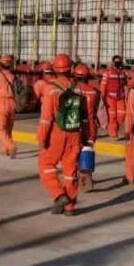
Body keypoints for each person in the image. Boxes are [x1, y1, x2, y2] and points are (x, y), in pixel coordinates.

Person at [37, 53, 85, 216]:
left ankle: (59, 195)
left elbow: (46, 119)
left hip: (57, 133)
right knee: (70, 171)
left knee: (45, 165)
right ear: (70, 68)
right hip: (75, 131)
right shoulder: (77, 88)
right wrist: (87, 137)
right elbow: (85, 115)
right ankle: (70, 208)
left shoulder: (50, 89)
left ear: (54, 69)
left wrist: (42, 139)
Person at [73, 63, 100, 191]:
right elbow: (95, 110)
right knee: (87, 148)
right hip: (90, 125)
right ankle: (87, 175)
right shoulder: (94, 92)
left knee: (73, 151)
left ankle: (76, 177)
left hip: (74, 124)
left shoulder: (71, 90)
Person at [100, 55, 127, 139]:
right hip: (110, 98)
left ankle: (115, 128)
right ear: (113, 62)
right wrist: (102, 98)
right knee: (112, 116)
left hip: (120, 97)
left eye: (119, 61)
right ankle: (113, 134)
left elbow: (126, 84)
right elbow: (103, 85)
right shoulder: (108, 72)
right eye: (116, 61)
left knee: (122, 115)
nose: (117, 63)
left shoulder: (123, 73)